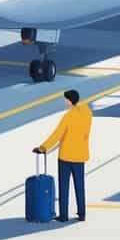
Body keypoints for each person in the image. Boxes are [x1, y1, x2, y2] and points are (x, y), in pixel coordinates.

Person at [33, 89, 92, 222]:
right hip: (80, 155)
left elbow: (57, 134)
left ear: (70, 100)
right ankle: (82, 214)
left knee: (63, 187)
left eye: (66, 99)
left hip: (66, 156)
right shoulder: (87, 113)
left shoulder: (68, 116)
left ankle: (64, 215)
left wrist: (43, 147)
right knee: (80, 186)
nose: (64, 101)